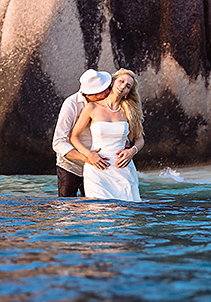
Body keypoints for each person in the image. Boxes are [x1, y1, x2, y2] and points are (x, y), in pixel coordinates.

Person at [69, 68, 145, 202]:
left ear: (128, 92)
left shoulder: (130, 111)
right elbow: (74, 137)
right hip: (97, 167)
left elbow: (140, 140)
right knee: (99, 211)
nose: (123, 87)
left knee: (125, 215)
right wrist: (89, 154)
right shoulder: (92, 107)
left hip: (123, 169)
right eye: (121, 81)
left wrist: (132, 151)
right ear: (112, 82)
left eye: (128, 86)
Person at [52, 69, 113, 197]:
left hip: (99, 166)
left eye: (107, 88)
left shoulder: (109, 101)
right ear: (88, 94)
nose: (107, 92)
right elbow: (58, 142)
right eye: (101, 93)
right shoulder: (71, 104)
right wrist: (87, 157)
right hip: (71, 166)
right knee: (67, 208)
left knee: (97, 207)